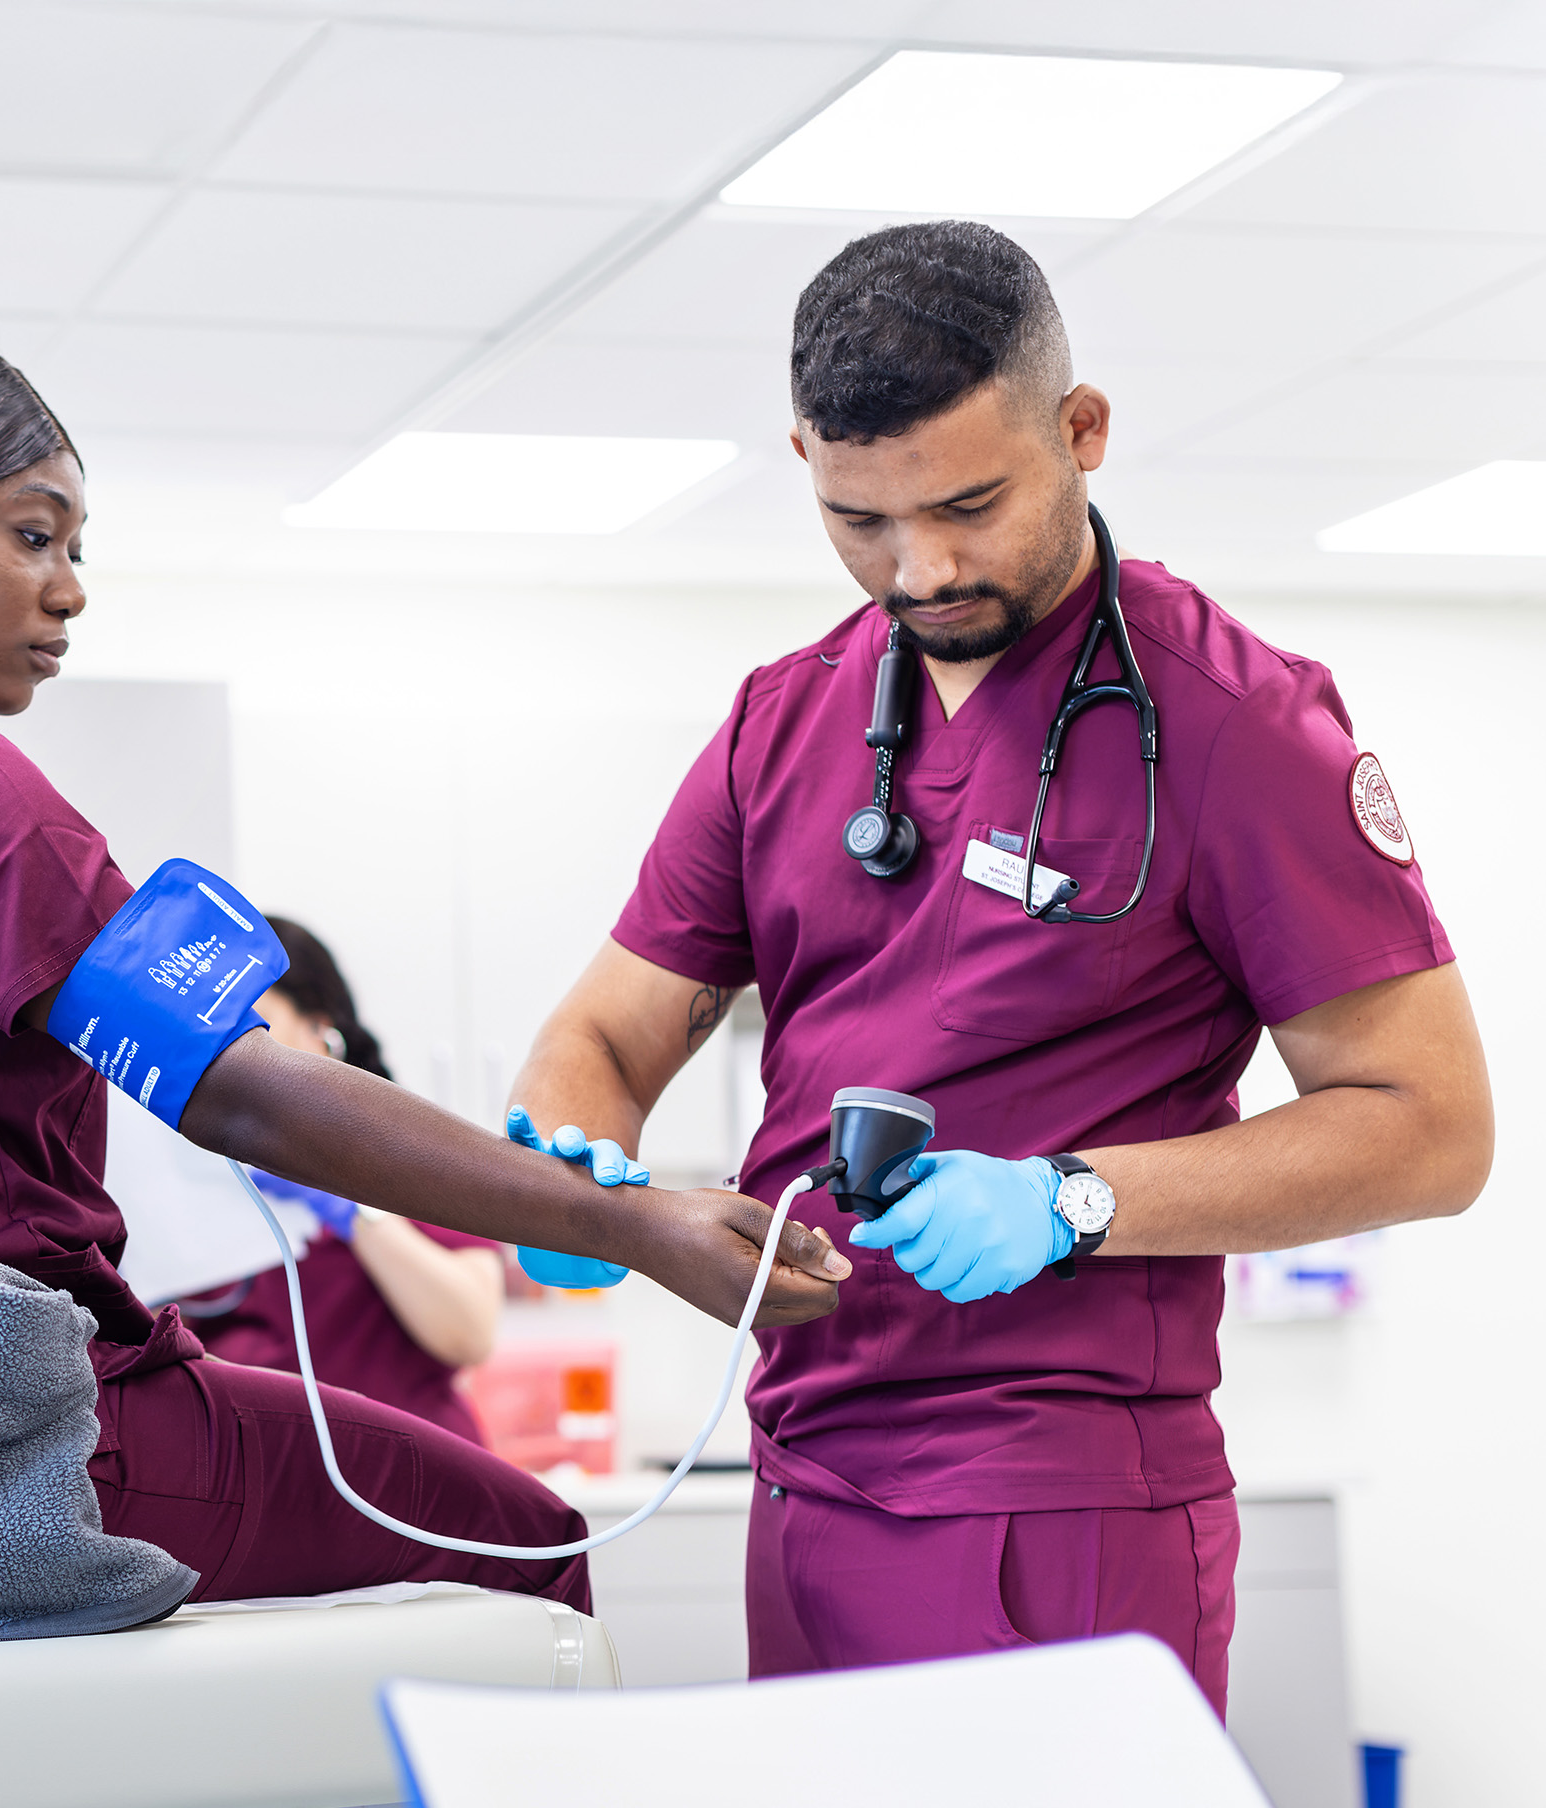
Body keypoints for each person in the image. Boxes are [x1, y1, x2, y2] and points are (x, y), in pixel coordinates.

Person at [0, 325, 852, 1616]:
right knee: (521, 1536)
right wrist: (629, 1219)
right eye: (31, 533)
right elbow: (229, 1087)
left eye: (74, 548)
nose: (69, 587)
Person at [507, 223, 1493, 1711]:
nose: (920, 568)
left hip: (1062, 1497)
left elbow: (1430, 1124)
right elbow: (608, 1032)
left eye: (970, 503)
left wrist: (1073, 1201)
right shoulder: (782, 721)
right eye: (860, 521)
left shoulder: (1236, 727)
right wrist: (578, 1178)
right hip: (803, 1469)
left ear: (1080, 431)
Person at [181, 918, 505, 1447]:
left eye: (247, 1018)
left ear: (320, 1035)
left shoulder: (413, 1156)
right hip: (267, 1485)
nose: (224, 1045)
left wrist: (355, 1206)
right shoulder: (194, 1180)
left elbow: (469, 1332)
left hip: (415, 1482)